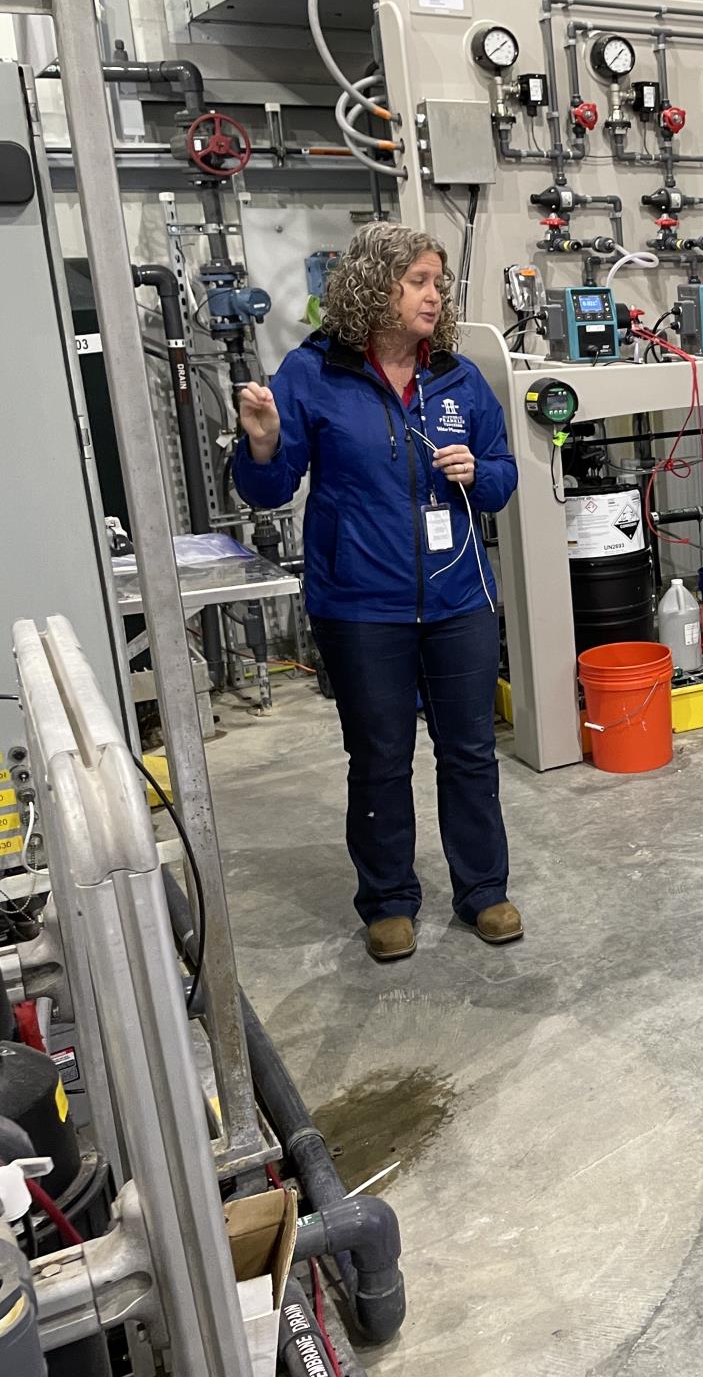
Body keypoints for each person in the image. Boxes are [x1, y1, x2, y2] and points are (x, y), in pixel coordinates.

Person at [232, 222, 522, 962]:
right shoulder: (312, 373)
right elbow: (267, 489)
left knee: (469, 752)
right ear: (377, 286)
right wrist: (262, 441)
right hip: (360, 606)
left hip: (458, 599)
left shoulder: (456, 377)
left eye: (440, 283)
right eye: (421, 281)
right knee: (381, 756)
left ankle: (483, 891)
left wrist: (476, 475)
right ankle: (389, 900)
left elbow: (503, 476)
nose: (436, 295)